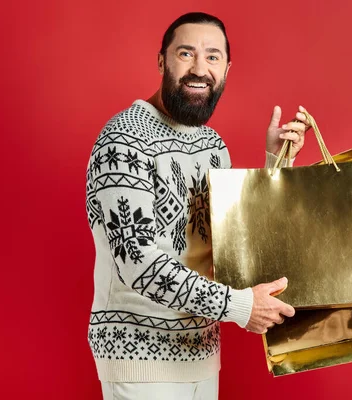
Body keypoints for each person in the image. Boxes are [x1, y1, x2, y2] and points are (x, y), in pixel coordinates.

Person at [85, 12, 310, 400]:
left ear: (226, 68)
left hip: (202, 356)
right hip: (139, 364)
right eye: (186, 53)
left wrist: (275, 162)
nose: (199, 68)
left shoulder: (211, 144)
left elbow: (232, 243)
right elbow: (139, 263)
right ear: (161, 61)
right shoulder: (123, 139)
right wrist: (240, 307)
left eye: (212, 57)